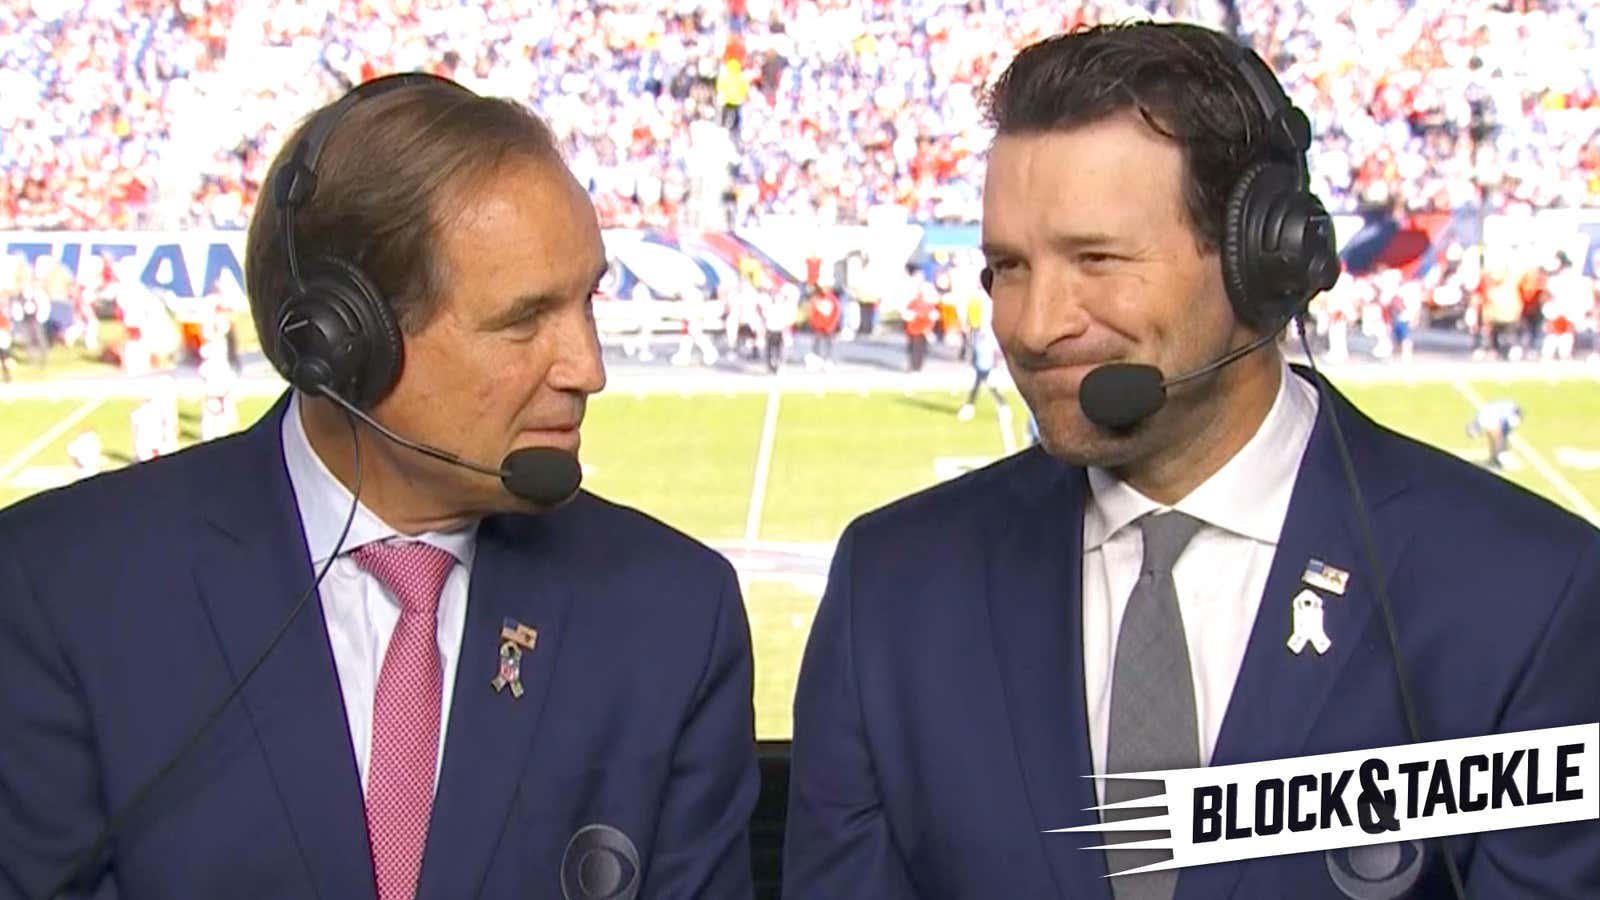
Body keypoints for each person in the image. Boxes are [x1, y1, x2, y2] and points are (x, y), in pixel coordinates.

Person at [784, 22, 1600, 900]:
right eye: (1007, 267)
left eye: (1096, 259)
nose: (1032, 323)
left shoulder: (1526, 595)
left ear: (1264, 261)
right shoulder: (893, 589)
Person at [0, 74, 757, 900]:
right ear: (342, 338)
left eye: (587, 303)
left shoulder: (674, 611)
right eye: (523, 320)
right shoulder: (58, 591)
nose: (588, 368)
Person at [1466, 399, 1523, 470]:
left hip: (1514, 413)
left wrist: (1496, 451)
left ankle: (1499, 460)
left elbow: (1497, 435)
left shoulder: (1485, 420)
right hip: (1509, 410)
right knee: (1495, 439)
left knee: (1499, 439)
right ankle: (1497, 457)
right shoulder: (1481, 419)